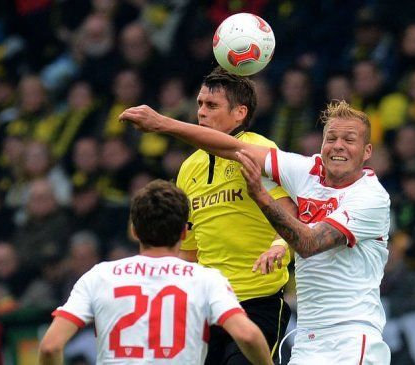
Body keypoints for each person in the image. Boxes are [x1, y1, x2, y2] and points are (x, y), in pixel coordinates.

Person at [120, 100, 391, 364]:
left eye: (349, 140)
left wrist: (262, 197)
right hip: (308, 340)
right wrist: (163, 124)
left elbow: (308, 244)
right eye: (331, 138)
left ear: (367, 151)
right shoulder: (307, 171)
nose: (338, 146)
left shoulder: (370, 197)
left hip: (352, 337)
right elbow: (234, 148)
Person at [126, 67, 294, 365]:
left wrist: (279, 245)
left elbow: (289, 212)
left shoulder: (259, 150)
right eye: (200, 104)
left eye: (212, 105)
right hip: (208, 305)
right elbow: (190, 247)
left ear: (240, 112)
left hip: (258, 300)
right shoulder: (189, 168)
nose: (201, 112)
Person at [38, 179, 273, 365]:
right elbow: (248, 336)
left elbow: (50, 346)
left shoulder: (98, 276)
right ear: (184, 232)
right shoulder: (207, 279)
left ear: (134, 231)